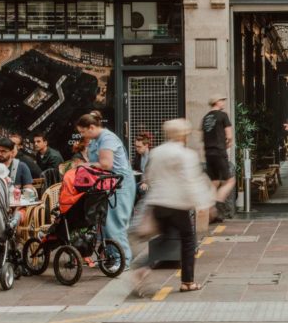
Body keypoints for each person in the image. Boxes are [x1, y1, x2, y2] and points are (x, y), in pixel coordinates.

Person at [133, 119, 216, 293]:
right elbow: (191, 180)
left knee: (164, 238)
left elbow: (150, 177)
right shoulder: (185, 154)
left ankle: (143, 267)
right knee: (188, 240)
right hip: (177, 204)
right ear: (183, 135)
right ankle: (187, 282)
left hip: (158, 202)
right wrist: (204, 204)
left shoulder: (156, 152)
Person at [77, 112, 136, 268]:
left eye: (83, 132)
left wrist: (84, 166)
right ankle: (111, 256)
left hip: (119, 184)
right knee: (104, 222)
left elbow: (106, 164)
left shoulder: (107, 138)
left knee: (114, 223)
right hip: (106, 183)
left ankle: (122, 261)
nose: (82, 136)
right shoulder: (96, 140)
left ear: (91, 127)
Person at [202, 95, 236, 219]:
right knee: (230, 181)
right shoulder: (223, 116)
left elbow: (203, 137)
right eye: (222, 100)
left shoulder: (205, 118)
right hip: (219, 151)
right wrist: (228, 145)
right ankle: (218, 204)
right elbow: (229, 136)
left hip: (208, 153)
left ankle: (209, 211)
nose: (223, 102)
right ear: (216, 102)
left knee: (214, 182)